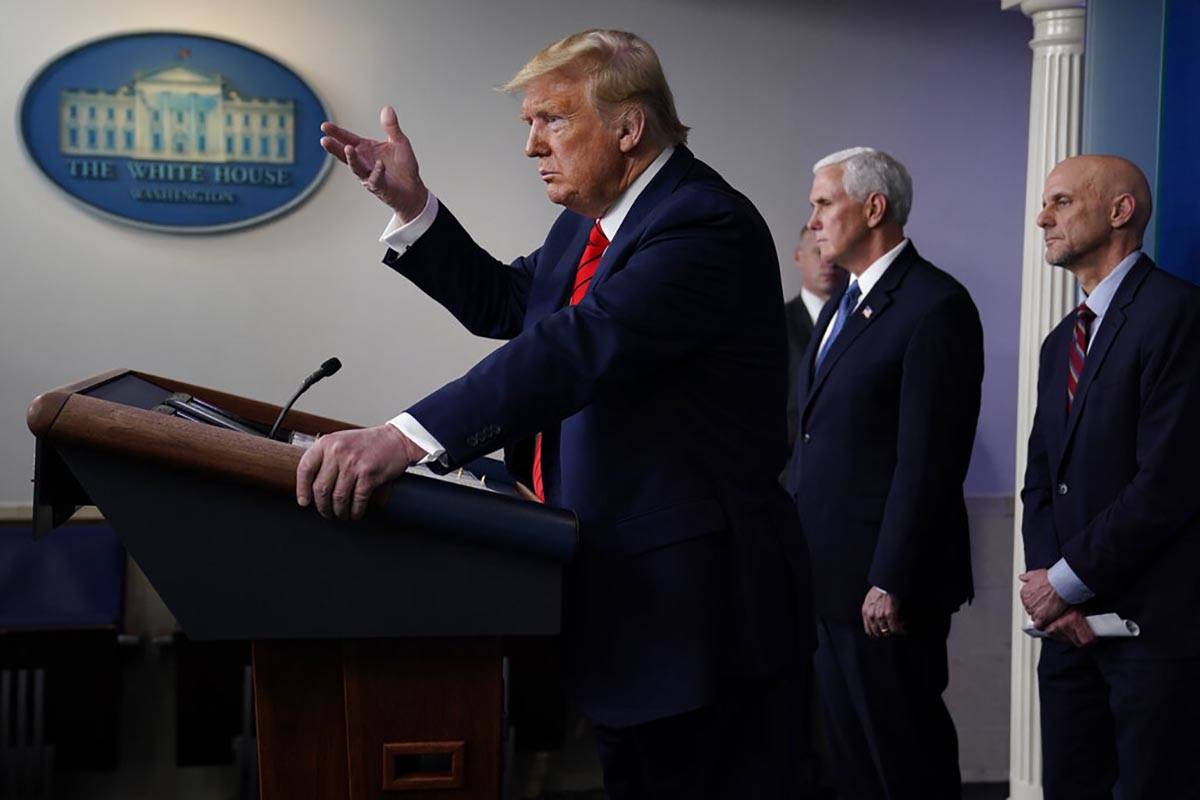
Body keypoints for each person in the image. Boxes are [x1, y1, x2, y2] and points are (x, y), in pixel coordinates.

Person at [295, 29, 812, 799]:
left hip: (698, 609)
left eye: (553, 121)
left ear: (629, 128)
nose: (533, 145)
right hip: (618, 585)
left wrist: (403, 438)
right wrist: (413, 206)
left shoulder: (706, 225)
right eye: (529, 125)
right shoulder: (589, 223)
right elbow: (515, 304)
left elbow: (575, 348)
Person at [785, 147, 982, 799]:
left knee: (903, 761)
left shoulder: (934, 305)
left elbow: (928, 459)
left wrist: (889, 576)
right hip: (830, 578)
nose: (811, 219)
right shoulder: (847, 305)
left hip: (883, 590)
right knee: (853, 766)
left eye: (823, 203)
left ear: (874, 209)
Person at [1019, 154, 1200, 800]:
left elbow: (1169, 483)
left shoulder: (1177, 314)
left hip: (1150, 636)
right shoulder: (1059, 340)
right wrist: (1050, 588)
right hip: (1067, 635)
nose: (1042, 217)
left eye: (1061, 202)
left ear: (1120, 211)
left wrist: (1066, 583)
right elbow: (1040, 482)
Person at [784, 226, 846, 450]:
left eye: (834, 251)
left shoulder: (865, 321)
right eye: (818, 252)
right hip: (789, 472)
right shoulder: (776, 325)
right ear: (798, 257)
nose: (828, 260)